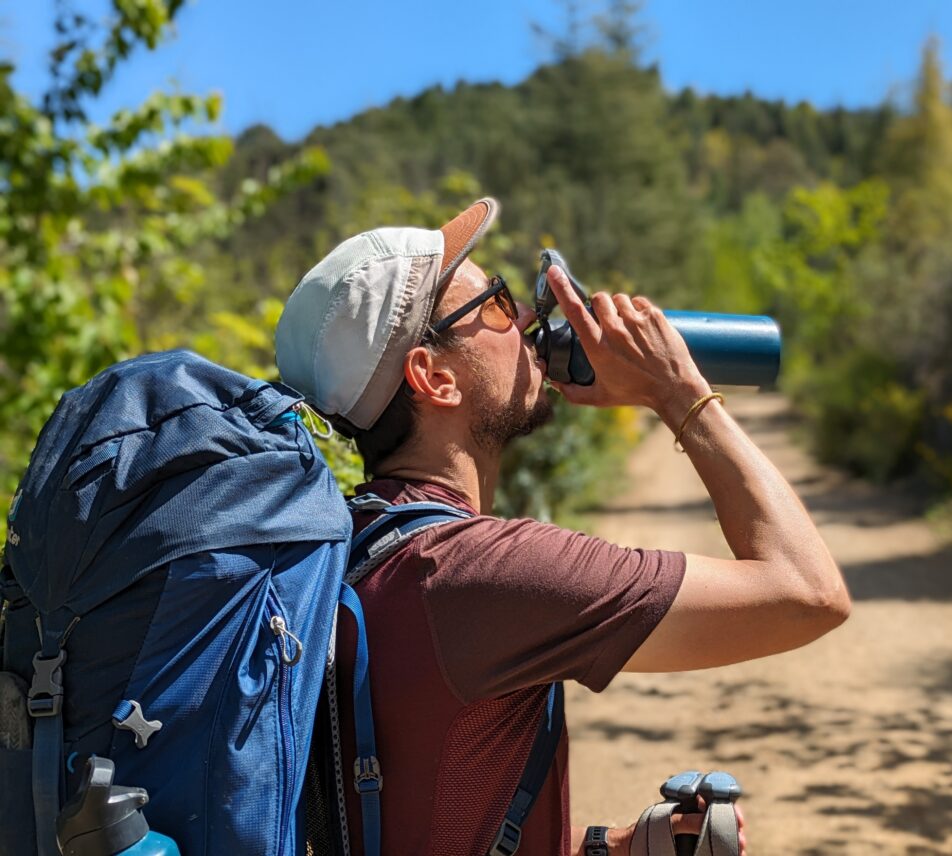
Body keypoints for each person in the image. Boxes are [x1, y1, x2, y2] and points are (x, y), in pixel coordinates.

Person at [274, 198, 850, 856]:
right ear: (434, 378)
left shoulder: (351, 550)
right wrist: (677, 391)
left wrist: (614, 845)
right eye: (493, 303)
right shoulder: (485, 573)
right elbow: (809, 592)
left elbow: (429, 825)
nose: (523, 317)